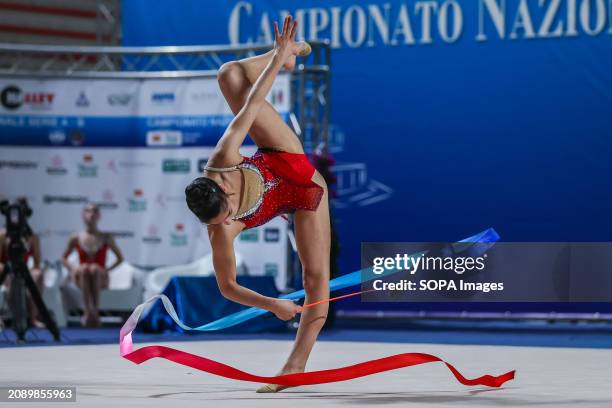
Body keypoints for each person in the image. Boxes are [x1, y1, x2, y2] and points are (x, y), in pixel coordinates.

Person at [184, 16, 330, 393]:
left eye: (228, 211)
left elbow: (252, 103)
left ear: (224, 191)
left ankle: (286, 54)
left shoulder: (223, 157)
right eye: (220, 222)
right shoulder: (220, 229)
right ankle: (293, 366)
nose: (229, 220)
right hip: (306, 195)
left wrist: (278, 57)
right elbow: (227, 286)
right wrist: (272, 304)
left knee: (229, 75)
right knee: (314, 281)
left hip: (286, 160)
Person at [62, 203, 123, 327]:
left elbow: (120, 258)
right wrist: (74, 268)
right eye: (88, 211)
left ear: (99, 216)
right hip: (82, 277)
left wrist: (106, 270)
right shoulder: (76, 237)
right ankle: (88, 312)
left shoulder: (106, 237)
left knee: (94, 269)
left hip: (100, 278)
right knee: (85, 269)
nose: (91, 214)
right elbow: (63, 258)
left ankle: (93, 311)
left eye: (94, 211)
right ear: (83, 216)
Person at [0, 197, 45, 328]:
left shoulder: (32, 236)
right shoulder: (3, 235)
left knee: (37, 274)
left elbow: (37, 263)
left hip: (23, 268)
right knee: (7, 274)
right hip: (6, 269)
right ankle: (14, 319)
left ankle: (33, 317)